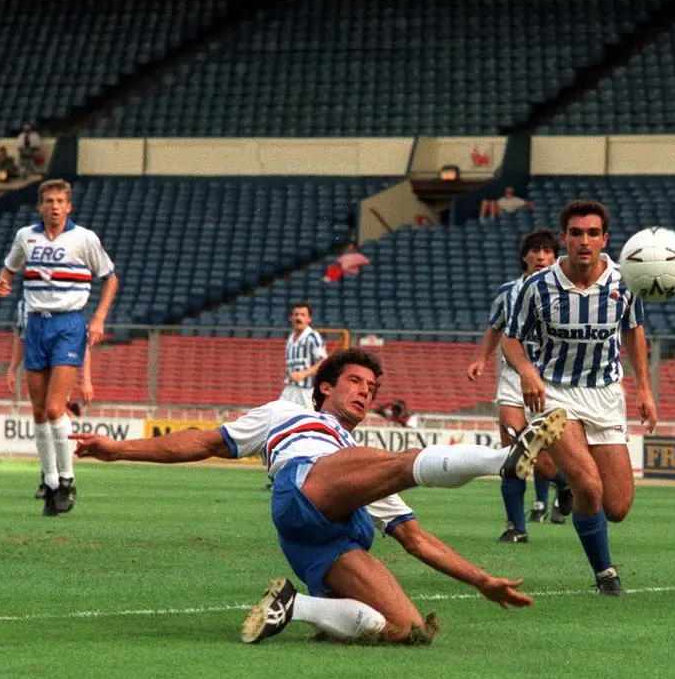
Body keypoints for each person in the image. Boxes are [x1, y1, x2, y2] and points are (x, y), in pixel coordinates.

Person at [71, 348, 569, 645]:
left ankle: (297, 606)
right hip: (302, 489)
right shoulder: (286, 414)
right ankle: (502, 458)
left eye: (372, 388)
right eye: (354, 381)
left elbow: (416, 539)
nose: (364, 392)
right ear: (325, 387)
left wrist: (482, 580)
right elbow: (203, 440)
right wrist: (118, 449)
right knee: (399, 462)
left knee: (405, 630)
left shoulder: (361, 461)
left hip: (327, 541)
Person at [503, 198, 657, 596]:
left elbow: (635, 331)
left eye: (592, 233)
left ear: (605, 239)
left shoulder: (625, 282)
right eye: (576, 233)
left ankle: (551, 470)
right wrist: (527, 372)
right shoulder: (537, 287)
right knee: (588, 485)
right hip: (556, 394)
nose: (584, 241)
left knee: (617, 506)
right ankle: (606, 574)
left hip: (606, 394)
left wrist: (644, 388)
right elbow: (511, 341)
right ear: (564, 238)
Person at [0, 179, 118, 516]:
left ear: (69, 207)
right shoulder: (27, 237)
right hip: (36, 323)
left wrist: (98, 319)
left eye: (60, 201)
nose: (54, 206)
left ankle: (67, 479)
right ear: (40, 206)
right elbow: (9, 269)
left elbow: (110, 277)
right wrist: (3, 283)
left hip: (68, 323)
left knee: (53, 408)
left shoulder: (84, 239)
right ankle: (49, 481)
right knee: (37, 411)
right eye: (48, 200)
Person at [466, 228, 573, 540]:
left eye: (547, 251)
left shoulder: (565, 290)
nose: (541, 256)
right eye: (535, 251)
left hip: (552, 379)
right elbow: (495, 328)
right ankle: (516, 527)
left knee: (543, 459)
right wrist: (482, 359)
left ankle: (563, 483)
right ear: (524, 256)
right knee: (512, 452)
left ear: (556, 257)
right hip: (513, 378)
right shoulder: (508, 291)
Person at [281, 302, 326, 407]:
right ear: (290, 318)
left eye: (302, 315)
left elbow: (323, 361)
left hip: (307, 391)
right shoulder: (290, 338)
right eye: (296, 314)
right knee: (280, 417)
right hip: (290, 388)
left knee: (308, 421)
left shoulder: (313, 337)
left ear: (309, 319)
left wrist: (304, 374)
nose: (298, 318)